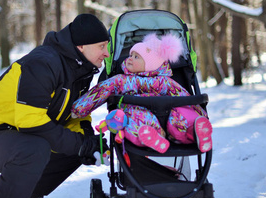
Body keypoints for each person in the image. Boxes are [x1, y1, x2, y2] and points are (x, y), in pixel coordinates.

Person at [0, 14, 110, 198]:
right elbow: (30, 120)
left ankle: (29, 196)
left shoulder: (80, 70)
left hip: (23, 135)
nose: (106, 53)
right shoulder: (43, 63)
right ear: (81, 47)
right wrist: (80, 145)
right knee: (37, 147)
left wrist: (88, 140)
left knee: (77, 144)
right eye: (101, 46)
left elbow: (76, 113)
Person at [71, 33, 213, 154]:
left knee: (182, 114)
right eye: (131, 54)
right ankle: (152, 138)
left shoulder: (165, 82)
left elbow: (185, 99)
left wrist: (199, 113)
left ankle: (194, 130)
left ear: (150, 64)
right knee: (136, 119)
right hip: (141, 114)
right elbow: (101, 90)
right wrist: (80, 108)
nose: (130, 58)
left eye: (136, 57)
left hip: (168, 117)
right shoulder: (122, 80)